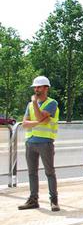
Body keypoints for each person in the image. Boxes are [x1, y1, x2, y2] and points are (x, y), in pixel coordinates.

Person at [18, 76, 60, 211]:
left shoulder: (52, 103)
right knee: (32, 173)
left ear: (46, 88)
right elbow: (24, 123)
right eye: (35, 87)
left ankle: (54, 201)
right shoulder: (30, 105)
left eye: (39, 87)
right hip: (30, 141)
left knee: (49, 172)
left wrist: (35, 104)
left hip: (45, 142)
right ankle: (33, 200)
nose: (36, 89)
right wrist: (37, 122)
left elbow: (43, 117)